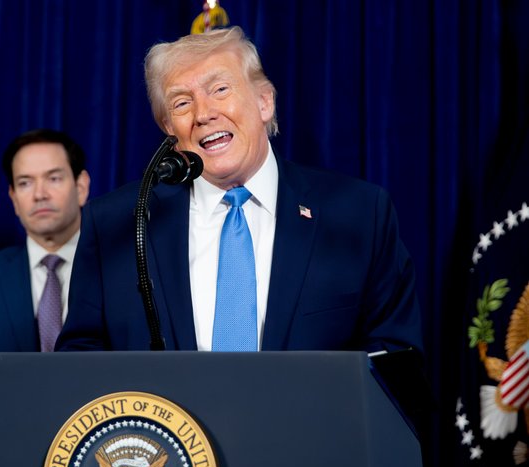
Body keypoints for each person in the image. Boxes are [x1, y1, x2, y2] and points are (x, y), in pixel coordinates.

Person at [57, 26, 422, 353]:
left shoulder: (359, 214)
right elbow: (82, 358)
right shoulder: (117, 224)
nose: (203, 113)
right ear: (169, 128)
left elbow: (393, 360)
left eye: (219, 89)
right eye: (182, 103)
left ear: (265, 102)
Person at [0, 129, 90, 352]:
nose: (40, 194)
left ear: (81, 187)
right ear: (13, 198)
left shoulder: (120, 271)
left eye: (53, 178)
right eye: (25, 183)